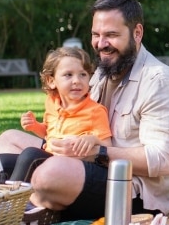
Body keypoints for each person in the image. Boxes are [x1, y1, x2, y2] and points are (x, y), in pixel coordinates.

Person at [0, 0, 169, 221]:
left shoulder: (159, 81)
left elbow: (165, 160)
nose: (101, 44)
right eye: (96, 35)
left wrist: (99, 153)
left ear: (137, 33)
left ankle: (19, 210)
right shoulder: (102, 71)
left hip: (131, 191)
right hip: (85, 162)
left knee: (49, 174)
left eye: (111, 35)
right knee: (7, 140)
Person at [6, 46, 113, 182]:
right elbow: (49, 132)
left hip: (73, 167)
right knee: (2, 161)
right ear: (51, 81)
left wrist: (91, 139)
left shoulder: (95, 111)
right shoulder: (51, 102)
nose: (77, 80)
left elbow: (107, 145)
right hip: (50, 156)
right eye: (68, 75)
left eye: (83, 74)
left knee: (30, 155)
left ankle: (11, 200)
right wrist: (34, 126)